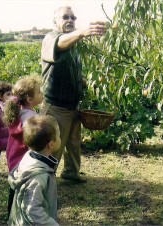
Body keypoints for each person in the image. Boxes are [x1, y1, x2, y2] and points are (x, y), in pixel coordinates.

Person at [40, 6, 106, 183]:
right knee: (52, 146)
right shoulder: (50, 38)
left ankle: (71, 173)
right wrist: (82, 32)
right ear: (55, 21)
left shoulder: (74, 46)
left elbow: (73, 70)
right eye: (65, 17)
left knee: (73, 144)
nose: (70, 20)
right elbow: (60, 44)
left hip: (73, 104)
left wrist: (88, 82)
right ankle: (44, 180)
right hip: (56, 106)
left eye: (73, 18)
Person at [8, 115, 61, 226]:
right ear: (51, 144)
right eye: (59, 136)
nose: (60, 138)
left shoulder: (29, 157)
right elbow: (32, 209)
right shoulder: (38, 177)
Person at [2, 74, 43, 217]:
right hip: (22, 159)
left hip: (14, 156)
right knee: (22, 188)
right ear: (30, 99)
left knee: (14, 187)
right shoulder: (28, 116)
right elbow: (30, 135)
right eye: (39, 92)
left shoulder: (20, 110)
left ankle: (10, 214)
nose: (42, 93)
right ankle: (18, 214)